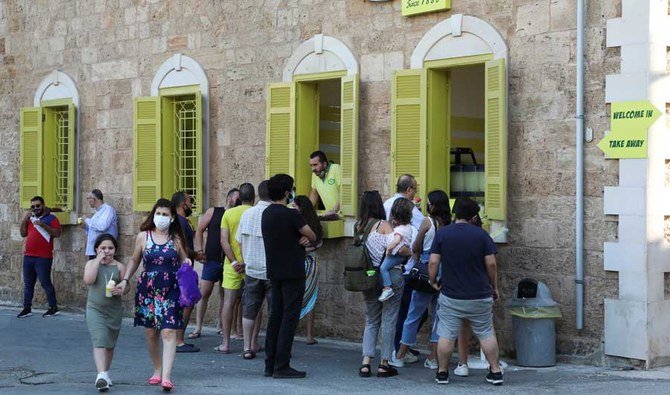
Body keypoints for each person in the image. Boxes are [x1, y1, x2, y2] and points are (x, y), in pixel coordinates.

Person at [391, 190, 472, 372]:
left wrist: (418, 256)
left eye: (429, 202)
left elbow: (415, 245)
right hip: (446, 269)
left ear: (433, 205)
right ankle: (433, 358)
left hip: (428, 266)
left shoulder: (428, 222)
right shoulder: (449, 224)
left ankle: (400, 355)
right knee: (438, 316)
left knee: (414, 313)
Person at [117, 198, 191, 391]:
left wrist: (188, 264)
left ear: (172, 217)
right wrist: (125, 279)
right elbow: (134, 260)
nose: (161, 217)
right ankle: (157, 369)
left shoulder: (175, 240)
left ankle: (166, 377)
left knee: (169, 331)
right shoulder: (143, 236)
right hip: (147, 289)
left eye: (165, 214)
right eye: (158, 213)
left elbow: (184, 259)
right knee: (151, 333)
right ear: (153, 215)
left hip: (170, 289)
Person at [428, 197, 503, 386]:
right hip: (480, 294)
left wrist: (432, 280)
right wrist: (493, 286)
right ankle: (495, 371)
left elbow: (433, 261)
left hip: (451, 295)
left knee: (446, 333)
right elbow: (492, 263)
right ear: (473, 216)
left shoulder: (443, 234)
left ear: (456, 213)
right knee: (486, 332)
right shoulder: (482, 235)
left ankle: (442, 373)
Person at [262, 174, 316, 379]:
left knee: (275, 316)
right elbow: (312, 234)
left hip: (274, 270)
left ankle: (270, 363)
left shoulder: (266, 214)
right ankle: (282, 364)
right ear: (287, 193)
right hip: (293, 271)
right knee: (289, 317)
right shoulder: (291, 214)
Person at [356, 191, 411, 378]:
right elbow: (397, 248)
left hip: (368, 278)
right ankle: (384, 363)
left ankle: (365, 363)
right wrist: (410, 251)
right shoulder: (384, 225)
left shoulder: (359, 226)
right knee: (389, 320)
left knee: (371, 320)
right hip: (390, 277)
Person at [383, 174, 431, 361]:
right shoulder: (410, 208)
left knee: (397, 312)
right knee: (410, 311)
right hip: (406, 266)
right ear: (409, 190)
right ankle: (399, 349)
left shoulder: (387, 203)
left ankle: (400, 347)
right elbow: (423, 232)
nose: (415, 193)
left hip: (389, 264)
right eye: (415, 189)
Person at [214, 183, 254, 353]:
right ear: (254, 198)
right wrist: (245, 261)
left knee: (228, 302)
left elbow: (224, 240)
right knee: (254, 303)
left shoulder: (228, 214)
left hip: (232, 265)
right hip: (252, 263)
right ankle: (252, 343)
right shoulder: (255, 213)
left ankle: (225, 342)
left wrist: (234, 262)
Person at [83, 233, 126, 392]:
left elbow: (126, 287)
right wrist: (97, 261)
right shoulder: (91, 264)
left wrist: (121, 288)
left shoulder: (120, 266)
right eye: (103, 248)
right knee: (100, 339)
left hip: (114, 310)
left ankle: (105, 374)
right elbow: (88, 280)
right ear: (96, 249)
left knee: (109, 344)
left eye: (110, 248)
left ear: (115, 250)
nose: (107, 251)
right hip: (95, 309)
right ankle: (100, 374)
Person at [236, 180, 271, 359]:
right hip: (271, 269)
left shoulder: (247, 215)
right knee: (273, 310)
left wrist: (246, 259)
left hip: (252, 269)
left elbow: (240, 240)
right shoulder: (274, 214)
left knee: (249, 310)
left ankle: (247, 347)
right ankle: (272, 347)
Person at [17, 196, 62, 318]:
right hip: (28, 256)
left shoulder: (51, 218)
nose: (35, 208)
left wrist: (42, 224)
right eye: (33, 206)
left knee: (45, 282)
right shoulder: (30, 219)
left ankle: (53, 308)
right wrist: (24, 219)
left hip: (43, 257)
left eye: (38, 205)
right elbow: (23, 233)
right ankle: (27, 308)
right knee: (28, 283)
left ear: (43, 205)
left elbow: (57, 233)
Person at [189, 204, 225, 339]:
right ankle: (198, 327)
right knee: (204, 293)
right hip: (211, 260)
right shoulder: (214, 212)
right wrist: (199, 251)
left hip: (227, 260)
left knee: (225, 294)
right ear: (229, 197)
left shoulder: (235, 213)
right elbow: (199, 229)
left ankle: (222, 325)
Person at [171, 191, 199, 353]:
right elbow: (181, 245)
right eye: (189, 201)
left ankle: (177, 338)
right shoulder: (180, 222)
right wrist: (197, 254)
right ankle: (179, 340)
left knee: (187, 302)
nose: (191, 204)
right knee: (187, 302)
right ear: (183, 204)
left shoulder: (182, 221)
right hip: (184, 268)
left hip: (186, 267)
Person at [293, 195, 323, 345]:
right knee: (311, 297)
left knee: (294, 297)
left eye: (295, 206)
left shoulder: (296, 222)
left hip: (299, 262)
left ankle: (290, 332)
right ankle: (310, 335)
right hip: (313, 262)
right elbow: (319, 243)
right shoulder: (314, 223)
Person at [378, 198, 413, 302]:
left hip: (396, 255)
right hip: (401, 258)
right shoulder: (408, 227)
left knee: (383, 268)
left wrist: (388, 249)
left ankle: (387, 288)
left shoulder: (399, 230)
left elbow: (396, 241)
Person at [80, 189, 118, 260]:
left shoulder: (108, 210)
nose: (88, 201)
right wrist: (86, 227)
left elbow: (102, 226)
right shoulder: (98, 212)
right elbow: (95, 230)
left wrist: (86, 219)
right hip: (95, 250)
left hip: (104, 251)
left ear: (94, 199)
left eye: (88, 198)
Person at [308, 151, 341, 216]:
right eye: (311, 165)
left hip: (342, 215)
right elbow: (314, 193)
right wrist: (306, 209)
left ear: (325, 164)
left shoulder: (336, 168)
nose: (313, 169)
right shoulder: (315, 175)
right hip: (329, 215)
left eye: (315, 165)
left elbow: (344, 192)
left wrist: (334, 210)